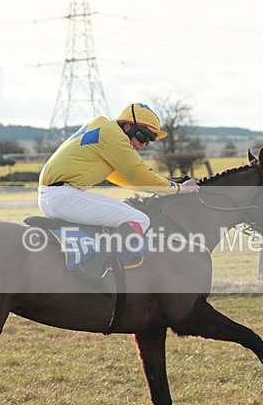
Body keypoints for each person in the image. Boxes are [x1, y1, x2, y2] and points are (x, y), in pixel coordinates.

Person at [38, 103, 199, 285]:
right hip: (64, 197)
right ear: (127, 126)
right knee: (141, 220)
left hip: (54, 196)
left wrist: (167, 186)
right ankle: (94, 266)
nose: (143, 144)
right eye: (142, 136)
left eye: (149, 140)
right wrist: (178, 189)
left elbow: (127, 178)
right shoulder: (114, 137)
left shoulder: (105, 130)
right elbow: (139, 174)